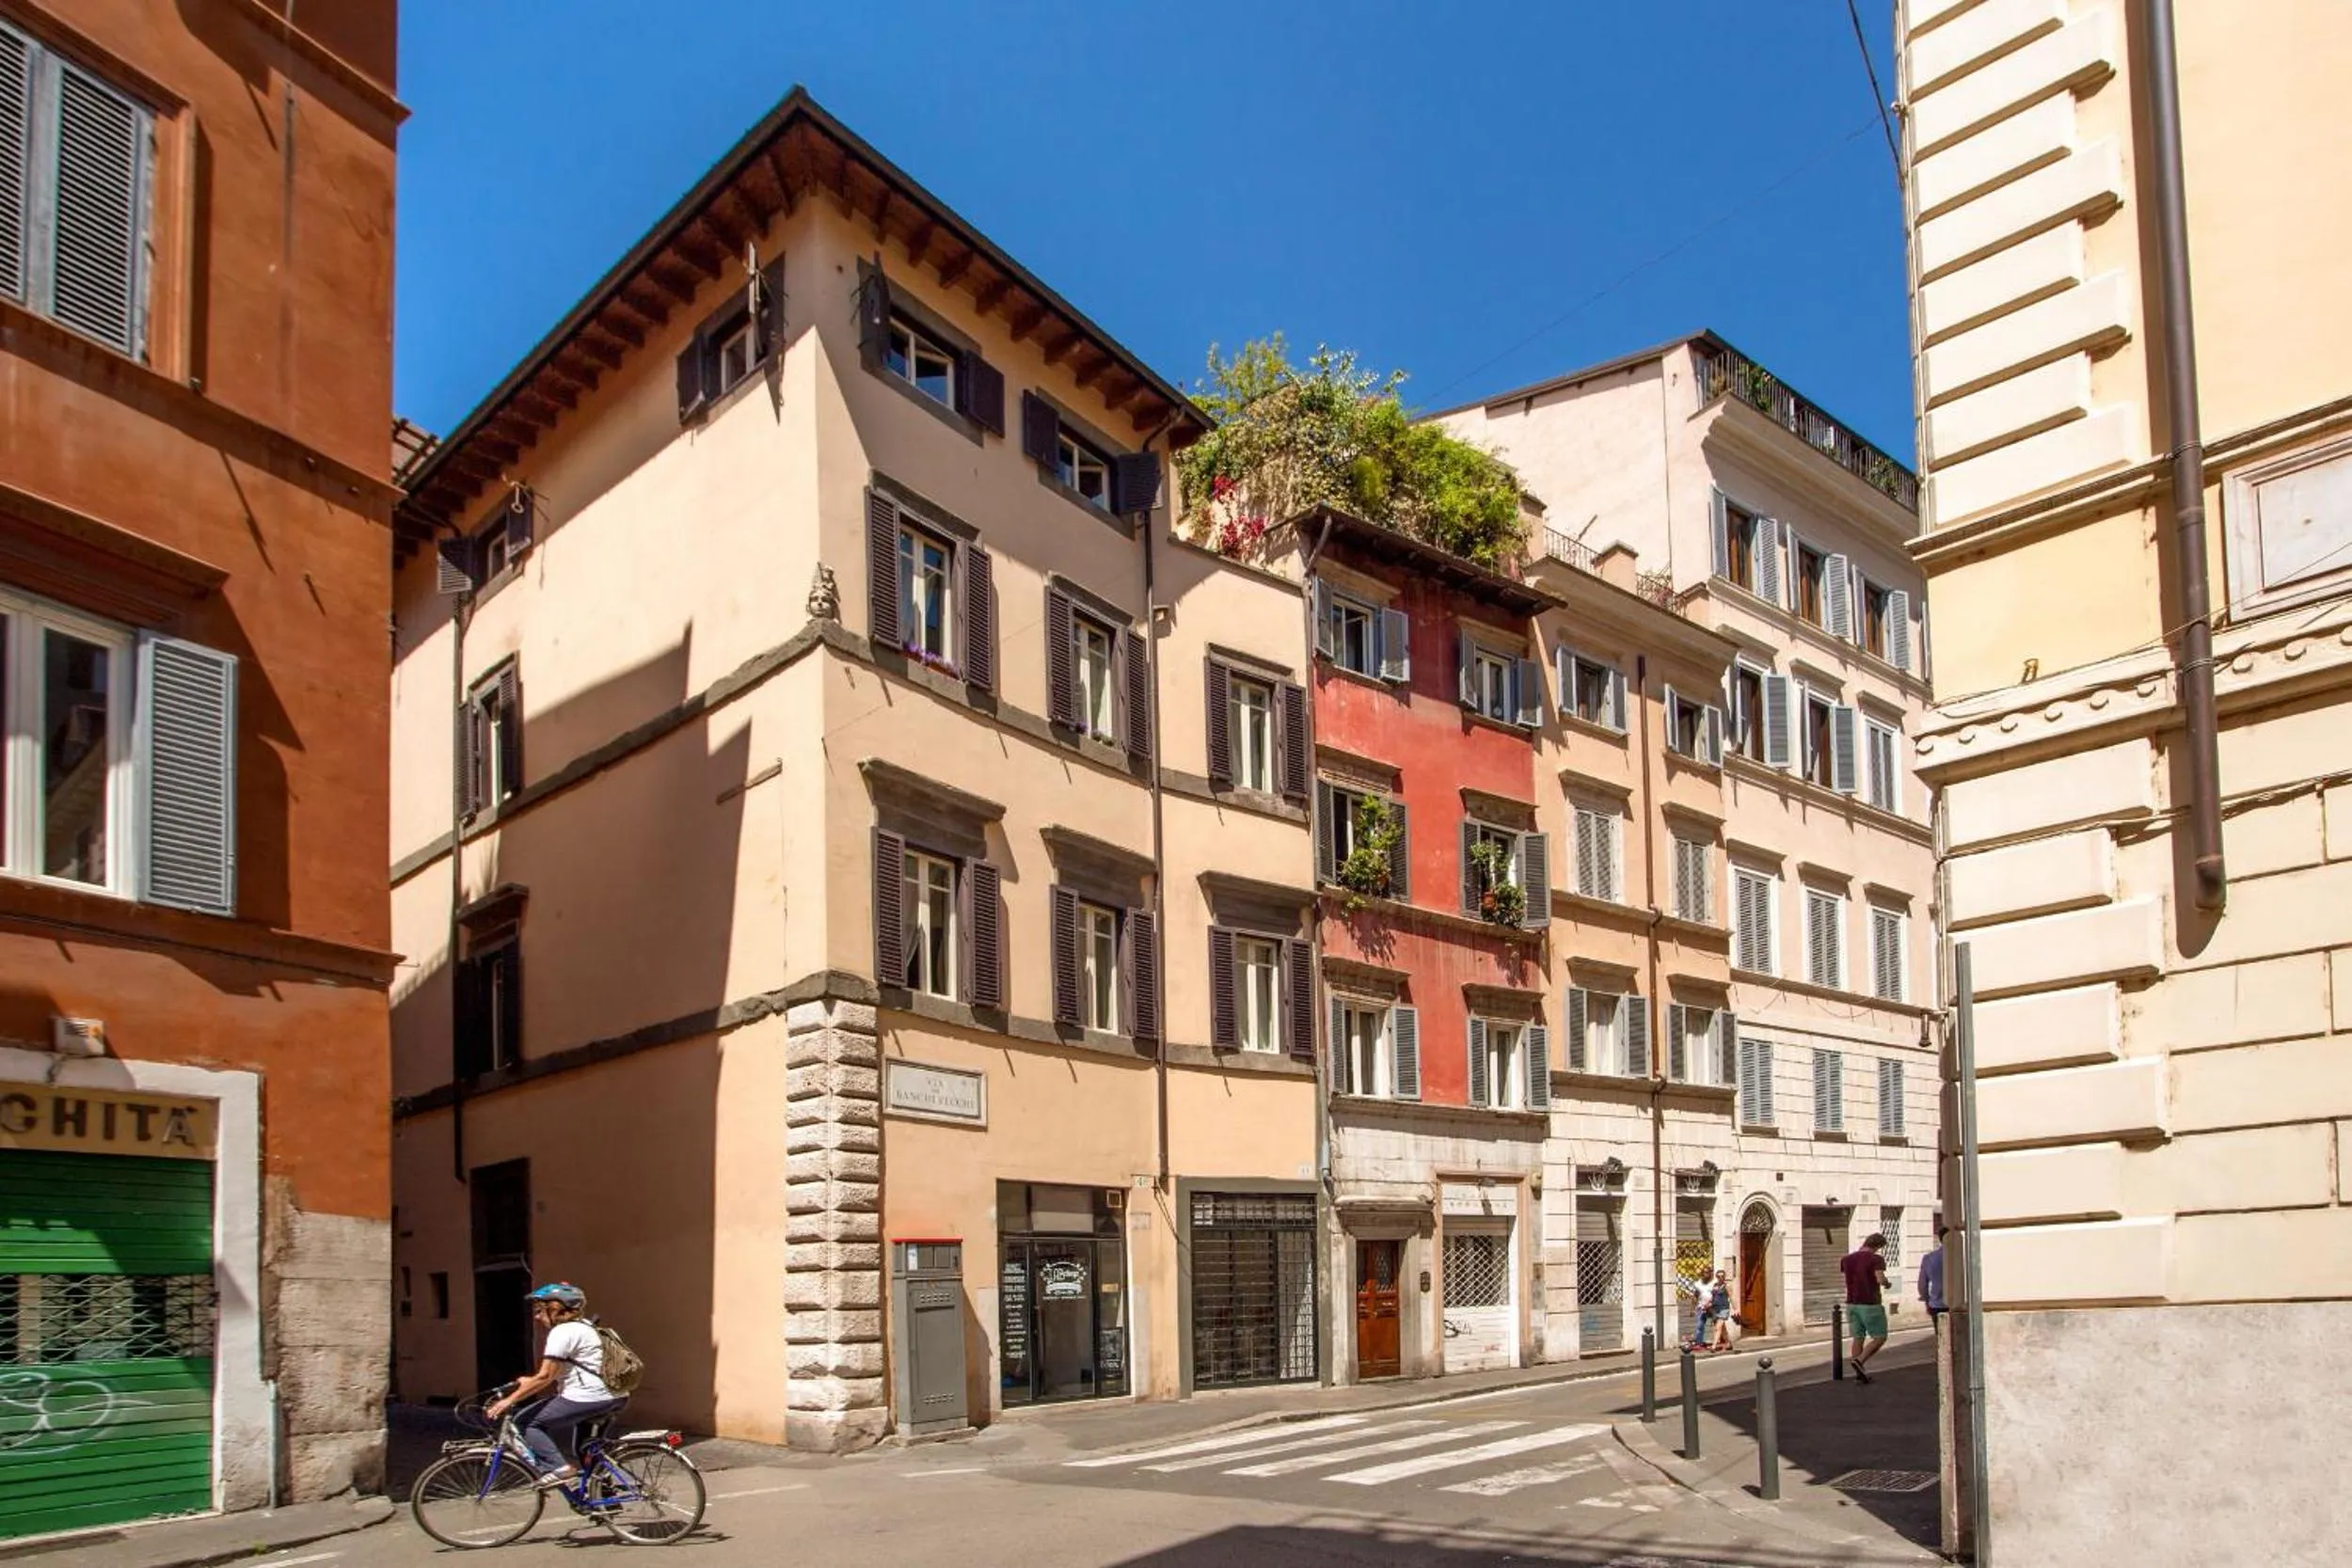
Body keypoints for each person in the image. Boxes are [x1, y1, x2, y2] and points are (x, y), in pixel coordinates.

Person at [484, 1282, 623, 1486]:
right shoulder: (588, 1327)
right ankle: (603, 1503)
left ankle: (559, 1468)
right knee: (585, 1449)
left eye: (540, 1311)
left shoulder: (563, 1332)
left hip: (588, 1397)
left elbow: (545, 1376)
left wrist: (509, 1401)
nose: (537, 1317)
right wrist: (529, 1382)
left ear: (555, 1308)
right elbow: (561, 1371)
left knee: (528, 1423)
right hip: (615, 1396)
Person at [1840, 1233, 1892, 1384]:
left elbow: (1848, 1276)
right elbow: (1879, 1278)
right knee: (1880, 1337)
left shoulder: (1847, 1259)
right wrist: (1887, 1284)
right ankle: (1860, 1361)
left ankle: (1859, 1374)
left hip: (1851, 1304)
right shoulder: (1876, 1259)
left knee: (1858, 1338)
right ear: (1878, 1246)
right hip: (1870, 1304)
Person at [1918, 1225, 1947, 1325]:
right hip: (1960, 1304)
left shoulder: (1929, 1258)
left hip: (1937, 1303)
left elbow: (1922, 1283)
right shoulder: (1962, 1254)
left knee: (1941, 1336)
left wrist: (1926, 1300)